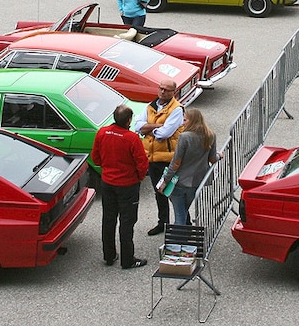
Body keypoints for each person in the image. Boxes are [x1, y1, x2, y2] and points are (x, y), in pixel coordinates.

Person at [92, 104, 149, 269]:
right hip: (128, 185)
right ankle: (128, 259)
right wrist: (138, 178)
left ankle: (109, 256)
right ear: (129, 120)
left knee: (108, 220)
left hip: (108, 182)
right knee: (127, 222)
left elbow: (95, 158)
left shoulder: (102, 132)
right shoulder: (132, 138)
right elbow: (142, 163)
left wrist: (107, 169)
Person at [134, 79, 184, 236]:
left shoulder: (177, 109)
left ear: (173, 93)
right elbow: (137, 127)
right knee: (159, 192)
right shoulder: (151, 106)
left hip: (167, 159)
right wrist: (157, 126)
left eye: (167, 90)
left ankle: (184, 223)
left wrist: (147, 128)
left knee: (174, 194)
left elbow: (165, 134)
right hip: (152, 158)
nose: (163, 92)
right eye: (161, 88)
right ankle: (163, 222)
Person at [158, 108, 220, 226]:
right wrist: (218, 155)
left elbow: (176, 162)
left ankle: (176, 242)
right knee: (183, 212)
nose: (183, 122)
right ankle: (183, 240)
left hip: (179, 182)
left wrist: (165, 180)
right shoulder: (210, 135)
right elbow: (212, 159)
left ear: (192, 121)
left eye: (185, 120)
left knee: (180, 217)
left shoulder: (185, 137)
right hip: (196, 182)